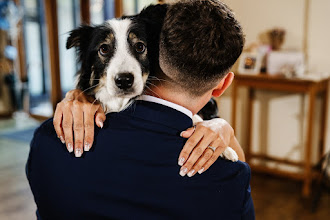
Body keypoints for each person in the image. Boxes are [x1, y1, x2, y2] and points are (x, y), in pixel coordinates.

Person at [26, 1, 255, 219]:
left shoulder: (45, 140)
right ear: (223, 84)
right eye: (105, 49)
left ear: (157, 58)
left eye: (139, 47)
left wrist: (221, 126)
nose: (123, 69)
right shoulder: (229, 177)